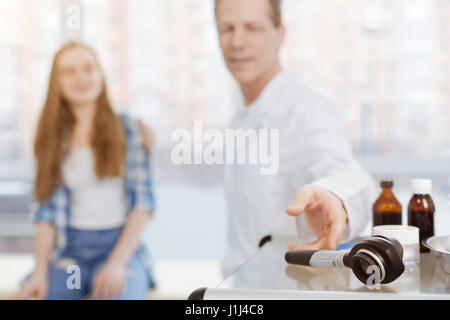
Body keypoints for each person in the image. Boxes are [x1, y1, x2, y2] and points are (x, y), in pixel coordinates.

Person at [141, 0, 376, 278]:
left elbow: (345, 171)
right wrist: (151, 144)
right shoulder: (243, 119)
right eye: (227, 28)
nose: (237, 41)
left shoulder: (307, 111)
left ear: (280, 35)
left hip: (287, 287)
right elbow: (204, 162)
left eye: (252, 28)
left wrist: (334, 196)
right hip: (239, 286)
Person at [14, 42, 155, 300]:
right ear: (57, 82)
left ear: (100, 74)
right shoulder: (51, 138)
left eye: (88, 68)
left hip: (118, 247)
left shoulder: (130, 130)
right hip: (70, 254)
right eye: (69, 71)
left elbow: (143, 204)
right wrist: (39, 271)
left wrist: (116, 264)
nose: (81, 78)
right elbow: (45, 214)